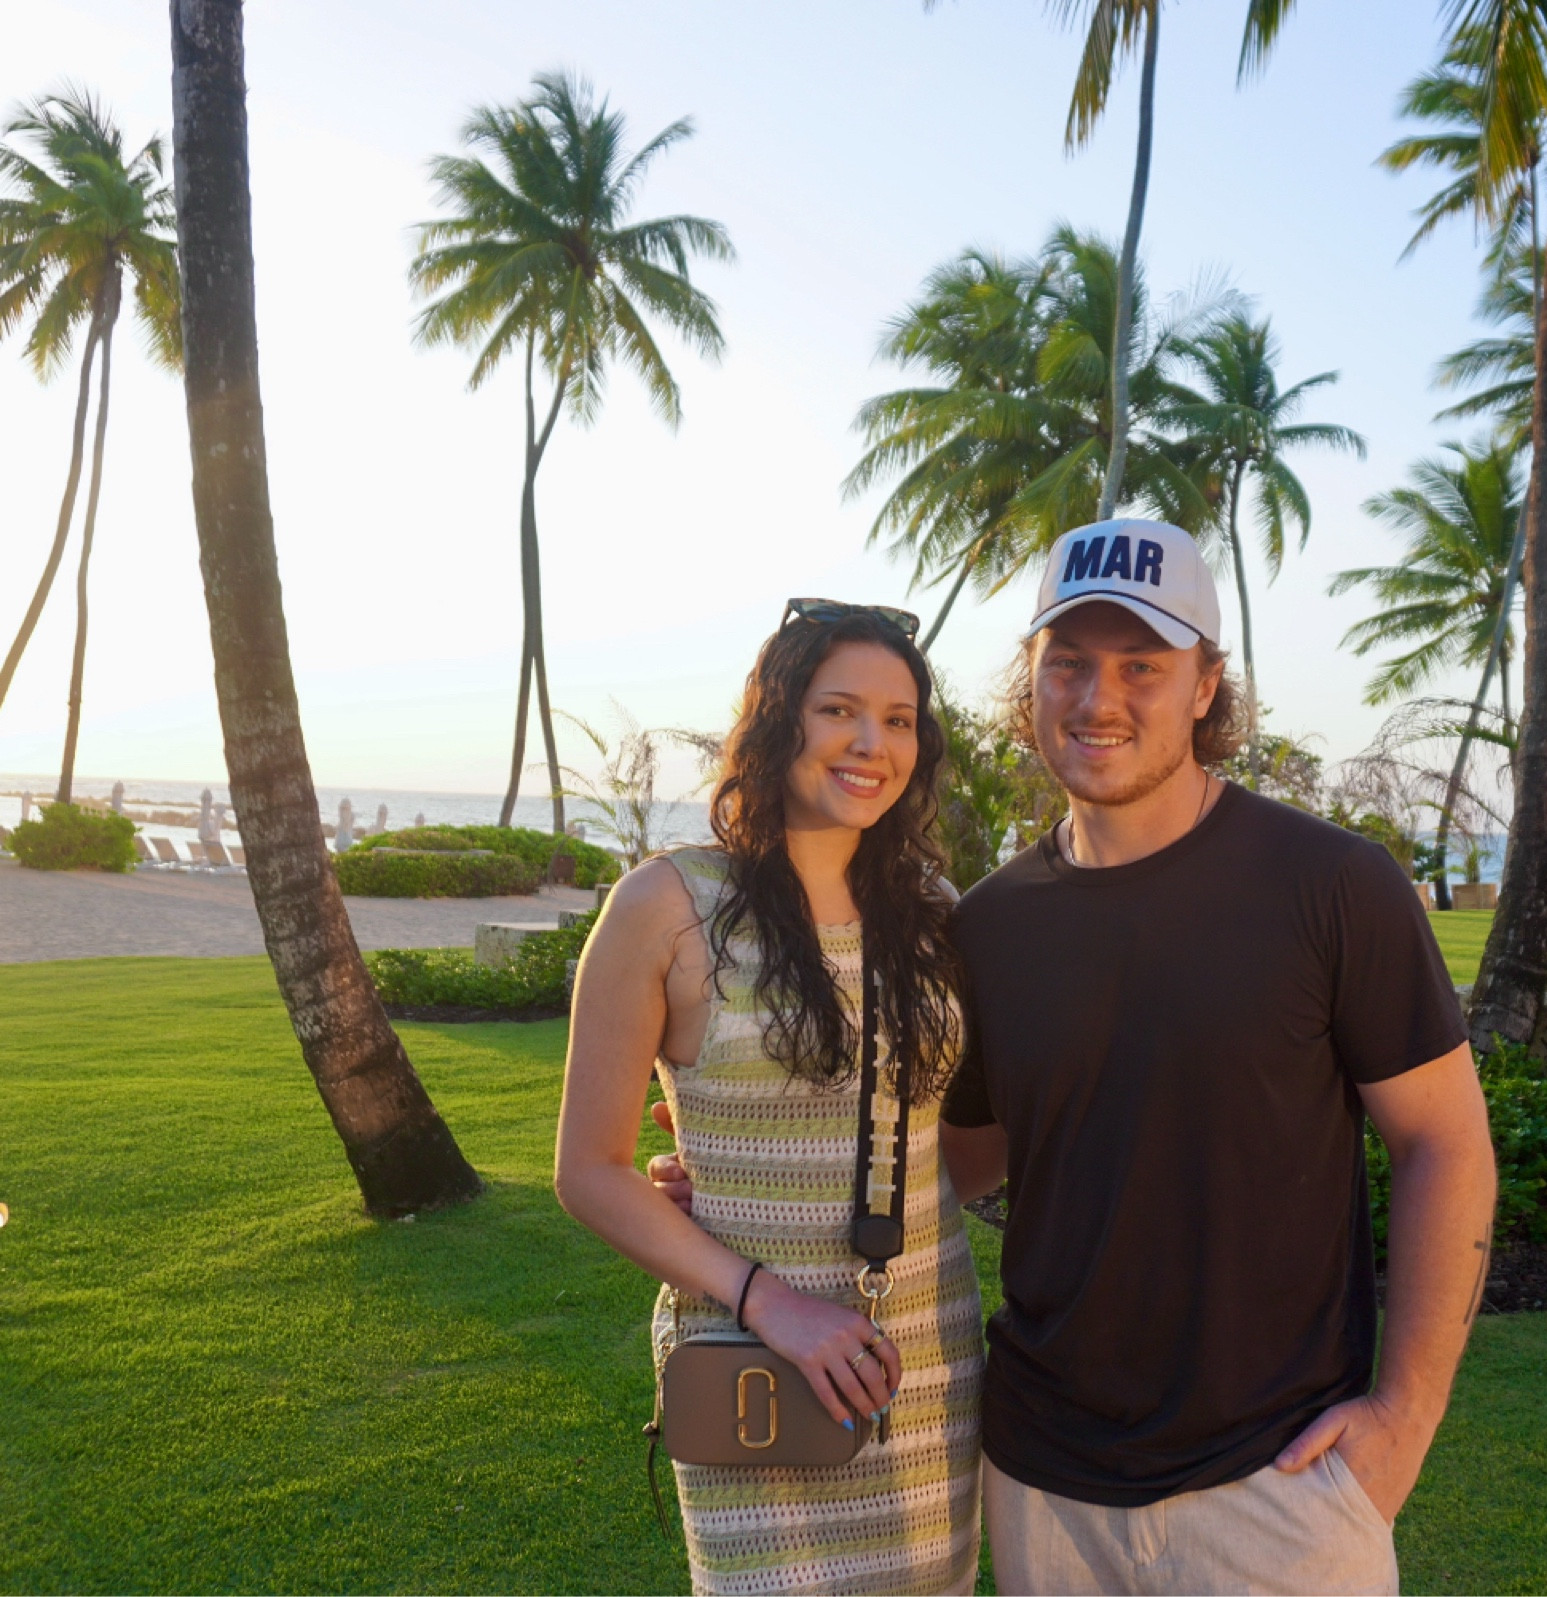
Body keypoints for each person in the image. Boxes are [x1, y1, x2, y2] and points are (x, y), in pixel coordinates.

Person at [937, 519, 1498, 1596]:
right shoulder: (988, 926)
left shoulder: (1331, 886)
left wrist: (1402, 1420)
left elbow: (1445, 1144)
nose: (1099, 697)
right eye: (1069, 663)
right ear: (1032, 683)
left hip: (1277, 1487)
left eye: (1141, 664)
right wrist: (747, 1148)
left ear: (1205, 686)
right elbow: (959, 1163)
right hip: (1045, 1484)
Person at [555, 600, 985, 1596]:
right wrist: (770, 1297)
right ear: (778, 714)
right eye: (840, 709)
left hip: (915, 1353)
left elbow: (962, 1140)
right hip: (749, 1358)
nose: (871, 743)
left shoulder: (933, 916)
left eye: (899, 718)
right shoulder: (667, 906)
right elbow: (586, 1173)